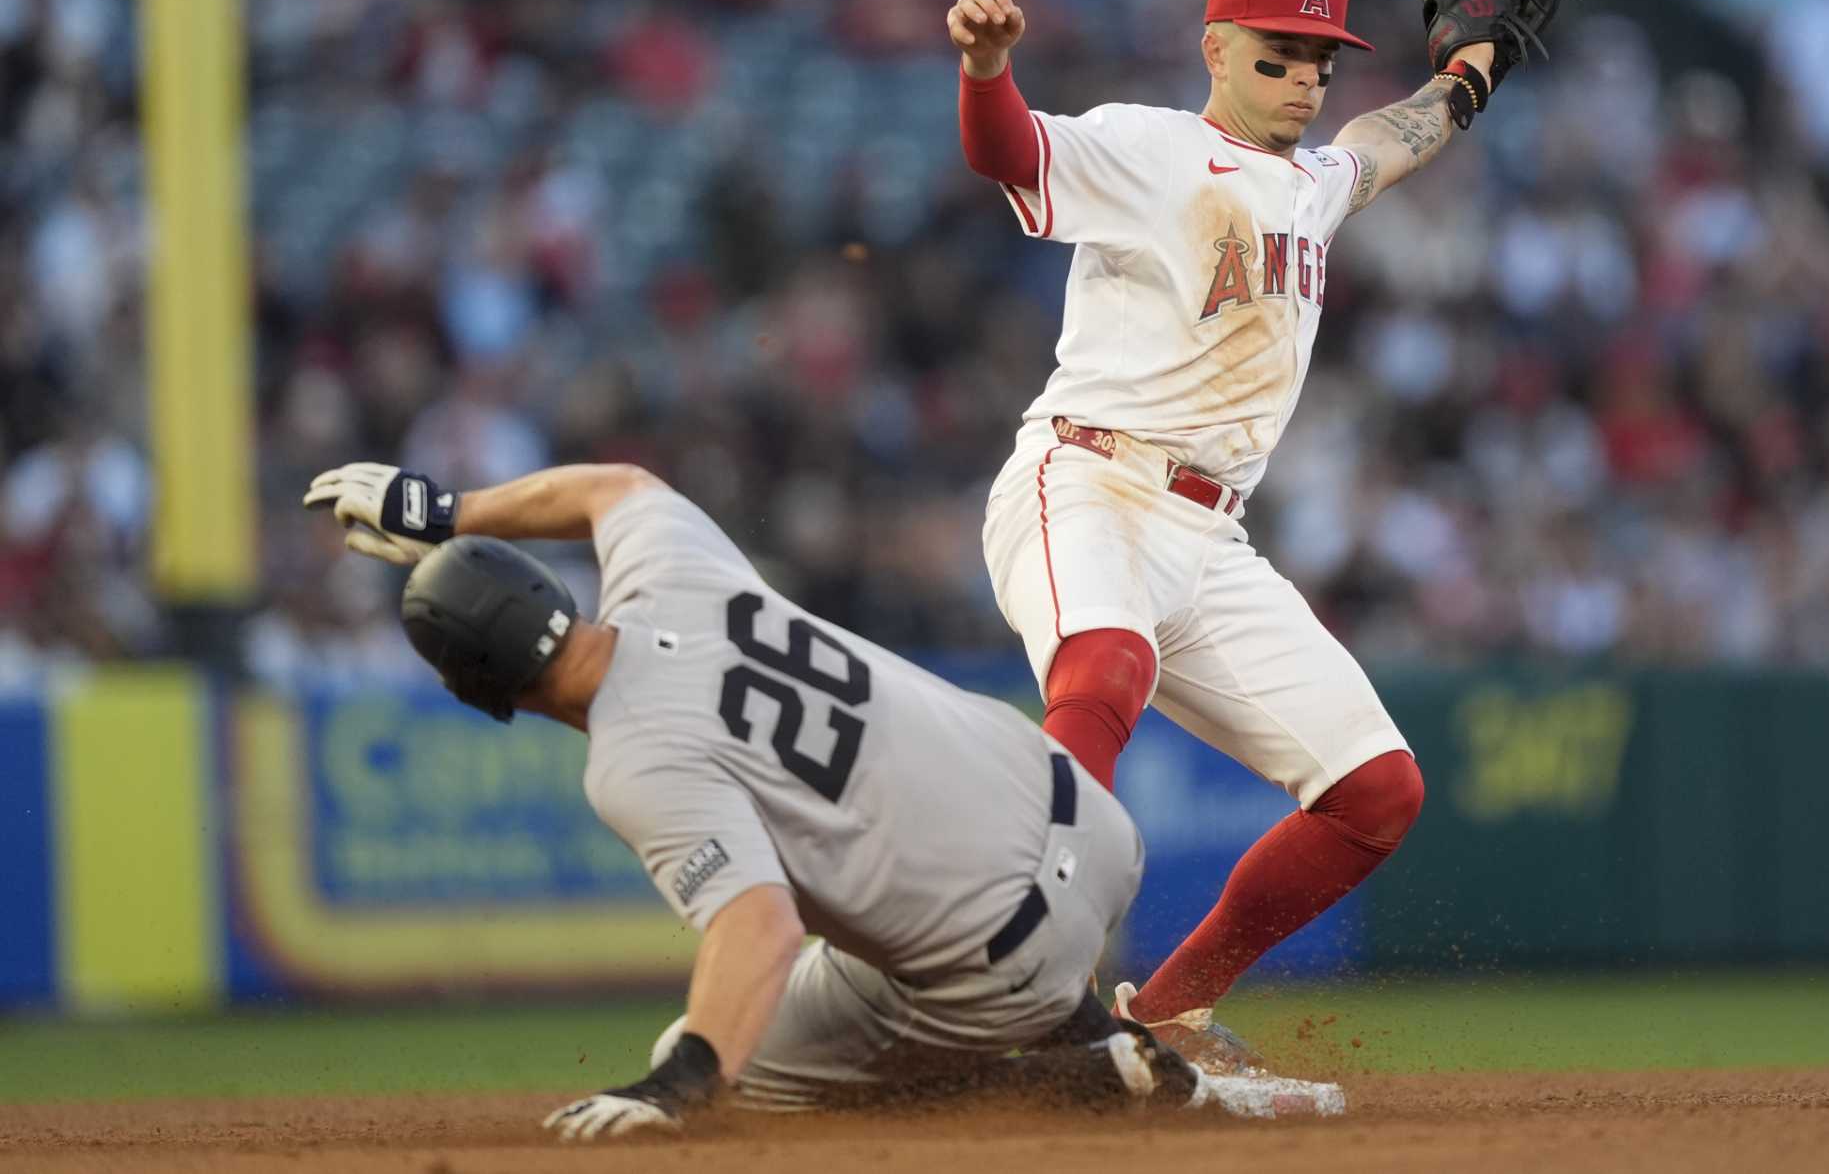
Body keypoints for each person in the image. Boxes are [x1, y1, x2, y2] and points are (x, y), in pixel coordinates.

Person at [949, 0, 1499, 1063]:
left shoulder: (1314, 182)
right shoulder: (1148, 146)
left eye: (1318, 60)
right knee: (1102, 669)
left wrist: (1475, 66)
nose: (1302, 77)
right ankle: (1013, 1001)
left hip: (1209, 535)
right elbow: (1007, 152)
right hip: (1088, 478)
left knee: (1375, 791)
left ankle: (1157, 1014)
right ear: (1215, 49)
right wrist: (986, 71)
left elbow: (1397, 134)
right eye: (1275, 56)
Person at [300, 459, 1195, 1137]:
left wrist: (682, 1082)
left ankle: (1071, 1081)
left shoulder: (633, 758)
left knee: (737, 1064)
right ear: (551, 589)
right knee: (899, 884)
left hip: (1007, 959)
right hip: (1099, 826)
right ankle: (1084, 1032)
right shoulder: (672, 573)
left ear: (481, 695)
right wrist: (448, 511)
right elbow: (616, 486)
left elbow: (760, 926)